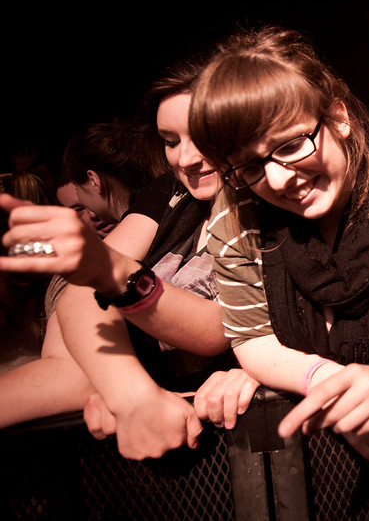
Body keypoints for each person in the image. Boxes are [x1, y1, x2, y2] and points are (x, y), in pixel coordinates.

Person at [188, 25, 369, 465]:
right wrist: (331, 387)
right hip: (318, 473)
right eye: (250, 167)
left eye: (291, 145)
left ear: (338, 118)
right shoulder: (236, 217)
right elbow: (252, 338)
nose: (276, 180)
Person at [0, 62, 239, 458]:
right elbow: (80, 292)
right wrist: (124, 390)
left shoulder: (270, 199)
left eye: (202, 134)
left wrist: (113, 385)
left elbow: (221, 326)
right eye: (171, 141)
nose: (186, 158)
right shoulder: (169, 191)